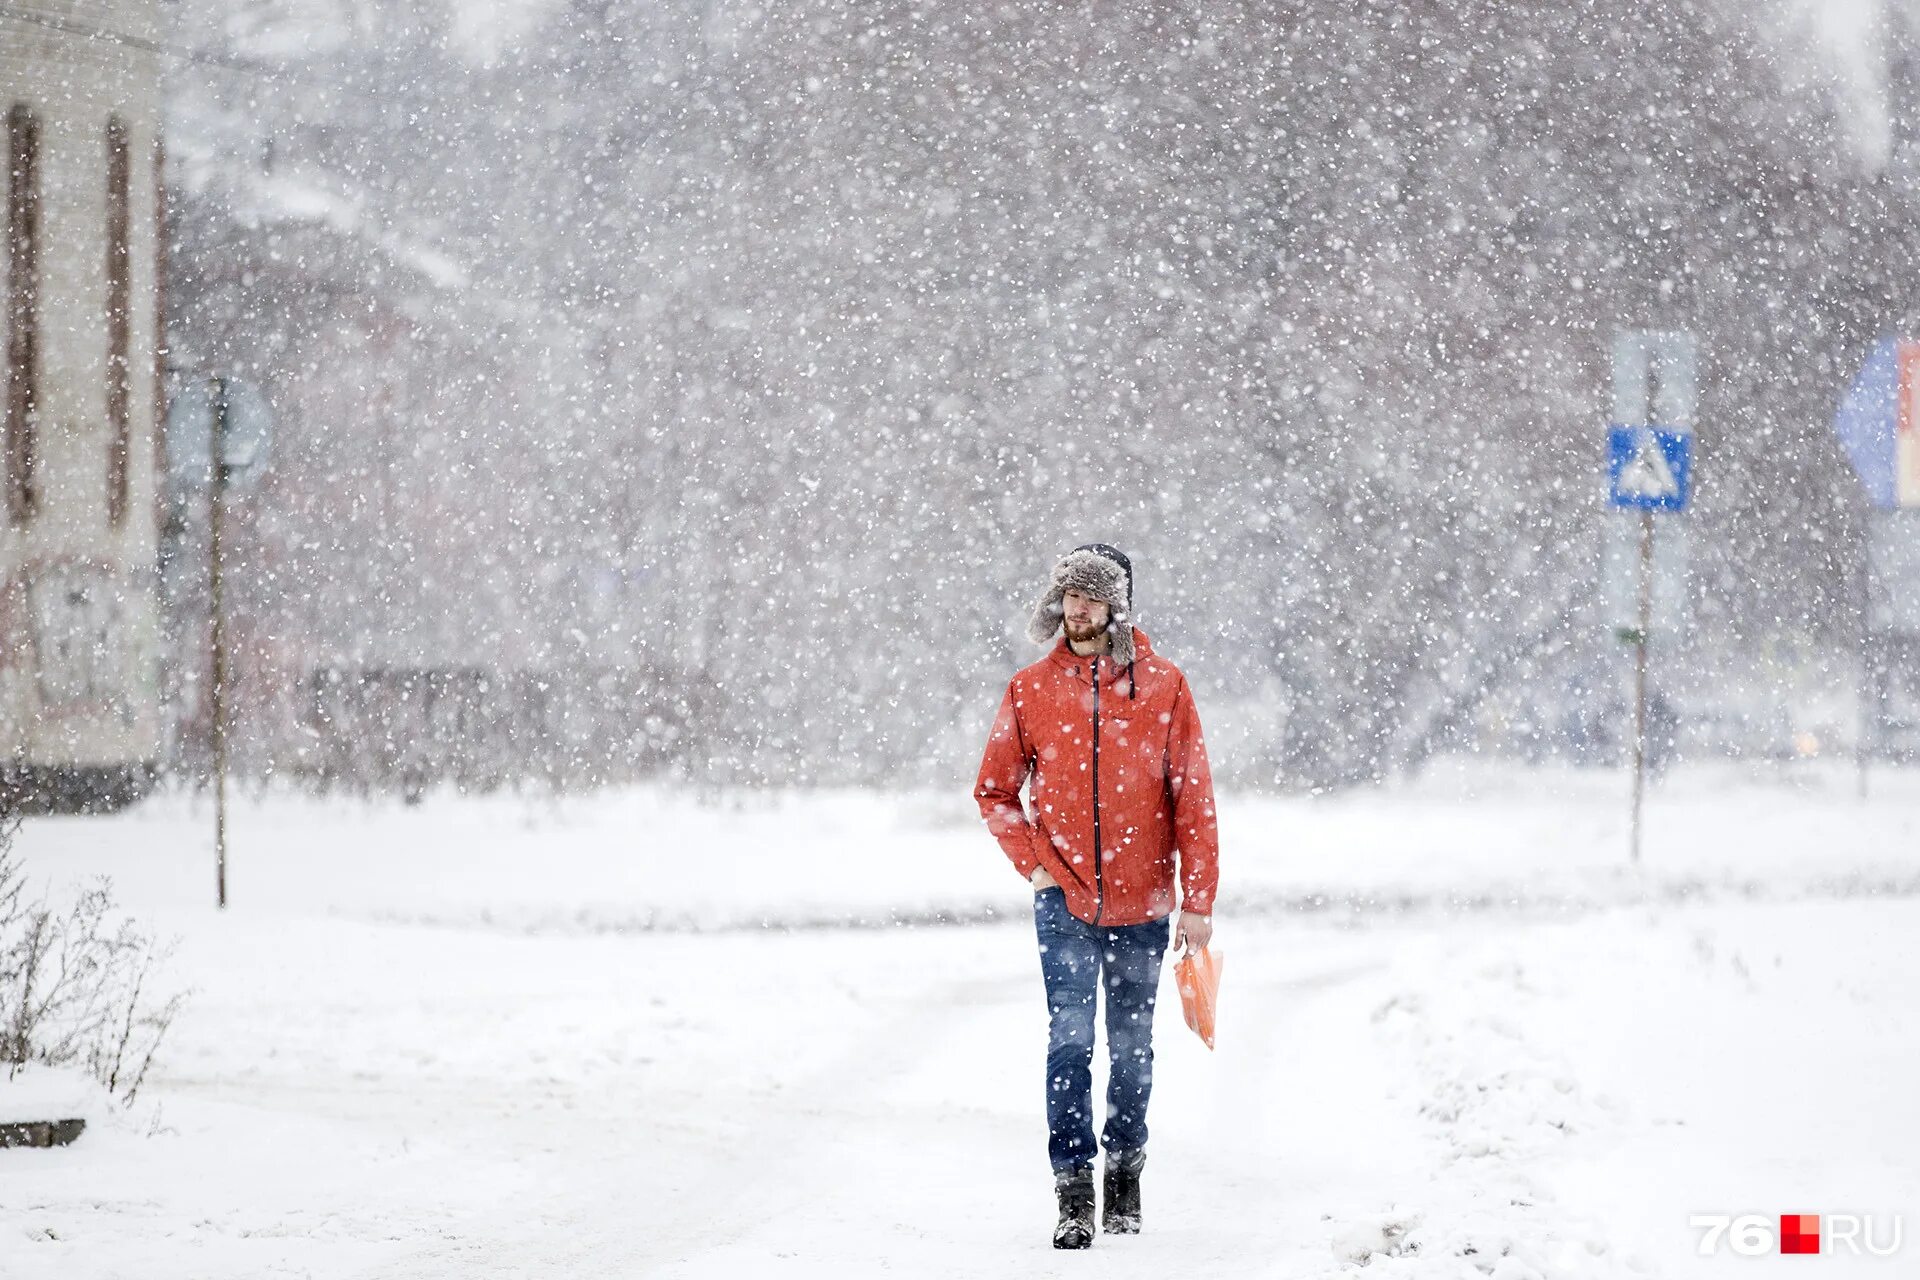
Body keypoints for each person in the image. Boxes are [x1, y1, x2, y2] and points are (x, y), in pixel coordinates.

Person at [973, 543, 1220, 1250]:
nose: (1077, 609)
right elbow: (994, 791)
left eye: (1091, 597)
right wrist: (1035, 866)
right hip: (1065, 903)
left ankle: (1126, 1170)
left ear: (1117, 605)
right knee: (1071, 1041)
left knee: (1134, 1049)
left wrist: (1197, 899)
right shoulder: (1030, 689)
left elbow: (1193, 799)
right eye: (1069, 596)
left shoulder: (1165, 687)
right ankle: (1074, 1186)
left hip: (1145, 902)